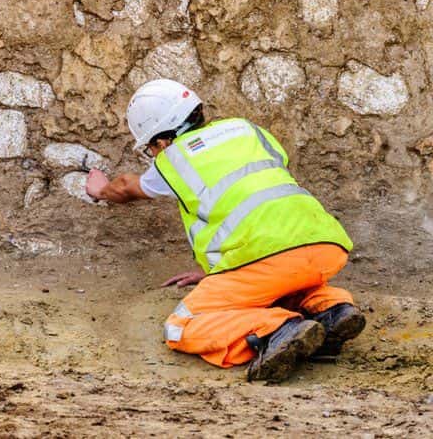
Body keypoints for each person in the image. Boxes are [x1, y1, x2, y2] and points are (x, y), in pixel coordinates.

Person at [86, 78, 366, 382]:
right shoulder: (247, 130)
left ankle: (276, 329)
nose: (155, 154)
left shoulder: (176, 157)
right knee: (277, 287)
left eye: (151, 147)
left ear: (162, 141)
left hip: (265, 256)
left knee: (181, 327)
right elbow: (248, 198)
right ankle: (333, 308)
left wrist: (100, 190)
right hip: (322, 244)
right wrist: (220, 272)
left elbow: (128, 187)